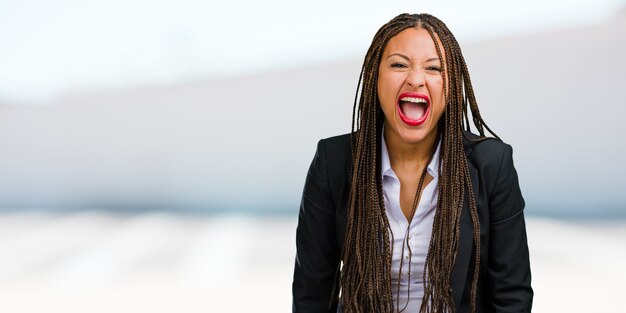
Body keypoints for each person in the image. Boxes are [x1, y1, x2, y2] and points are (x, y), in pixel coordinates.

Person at [292, 13, 533, 313]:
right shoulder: (333, 162)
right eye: (399, 64)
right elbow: (311, 295)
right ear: (375, 78)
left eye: (433, 68)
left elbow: (512, 296)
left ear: (451, 87)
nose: (416, 79)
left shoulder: (492, 165)